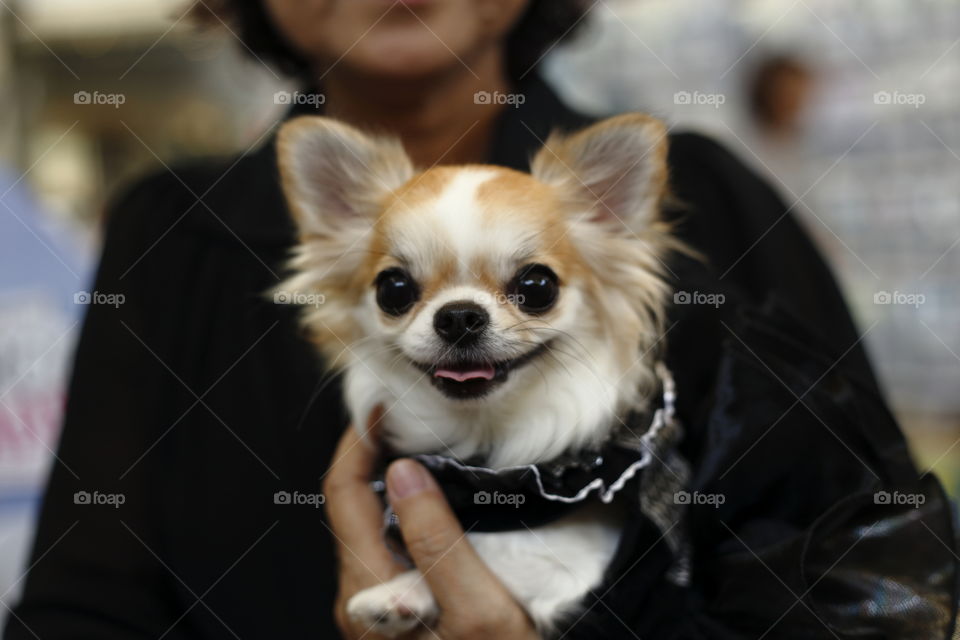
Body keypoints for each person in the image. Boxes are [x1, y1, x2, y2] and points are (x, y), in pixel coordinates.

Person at [5, 1, 955, 639]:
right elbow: (85, 610)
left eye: (533, 288)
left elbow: (875, 580)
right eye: (397, 288)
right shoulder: (173, 238)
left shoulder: (711, 204)